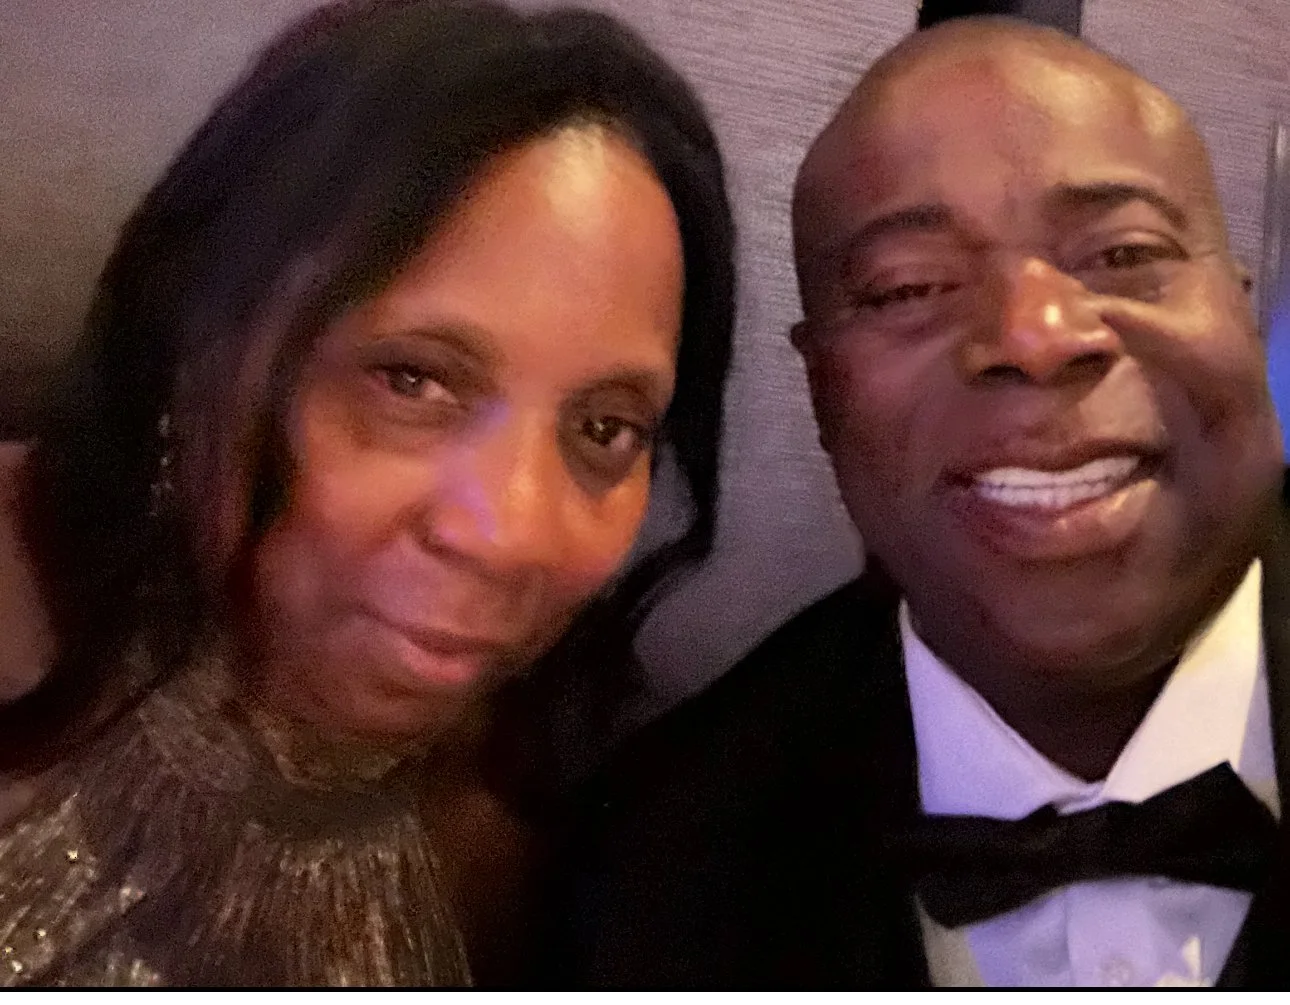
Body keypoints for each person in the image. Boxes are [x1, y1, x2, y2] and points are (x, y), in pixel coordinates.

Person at [0, 0, 734, 986]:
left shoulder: (580, 838)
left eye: (605, 429)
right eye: (412, 380)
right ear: (191, 341)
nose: (512, 533)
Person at [555, 15, 1290, 988]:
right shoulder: (648, 865)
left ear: (1241, 304)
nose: (1035, 334)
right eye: (908, 288)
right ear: (822, 391)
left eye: (1123, 253)